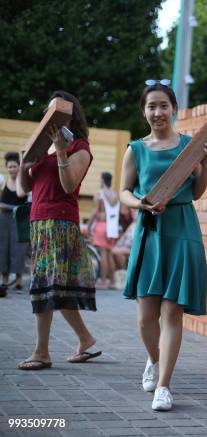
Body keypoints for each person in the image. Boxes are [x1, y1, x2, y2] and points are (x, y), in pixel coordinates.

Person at [120, 80, 207, 411]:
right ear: (144, 111)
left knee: (172, 310)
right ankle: (153, 359)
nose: (158, 112)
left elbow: (198, 191)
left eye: (163, 105)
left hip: (182, 228)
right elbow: (123, 191)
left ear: (173, 109)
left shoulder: (191, 146)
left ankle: (164, 385)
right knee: (146, 317)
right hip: (150, 231)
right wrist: (140, 204)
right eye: (151, 106)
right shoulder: (136, 149)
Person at [17, 90, 101, 370]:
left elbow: (68, 185)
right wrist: (24, 168)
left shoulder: (79, 147)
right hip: (39, 223)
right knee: (57, 288)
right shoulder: (43, 148)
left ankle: (41, 352)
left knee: (45, 286)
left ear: (70, 115)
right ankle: (86, 340)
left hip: (60, 223)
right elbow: (23, 190)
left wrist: (62, 150)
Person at [0, 152, 29, 296]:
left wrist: (18, 177)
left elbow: (21, 195)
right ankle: (4, 280)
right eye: (10, 167)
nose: (12, 169)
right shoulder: (3, 182)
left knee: (19, 250)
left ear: (19, 167)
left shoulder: (22, 181)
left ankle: (18, 281)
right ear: (7, 168)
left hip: (19, 220)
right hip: (4, 219)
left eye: (14, 166)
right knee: (3, 249)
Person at [89, 171, 120, 289]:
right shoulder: (115, 195)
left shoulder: (99, 194)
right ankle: (112, 282)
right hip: (112, 227)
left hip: (101, 226)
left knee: (103, 254)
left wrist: (89, 226)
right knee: (109, 254)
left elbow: (95, 212)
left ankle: (102, 282)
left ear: (102, 180)